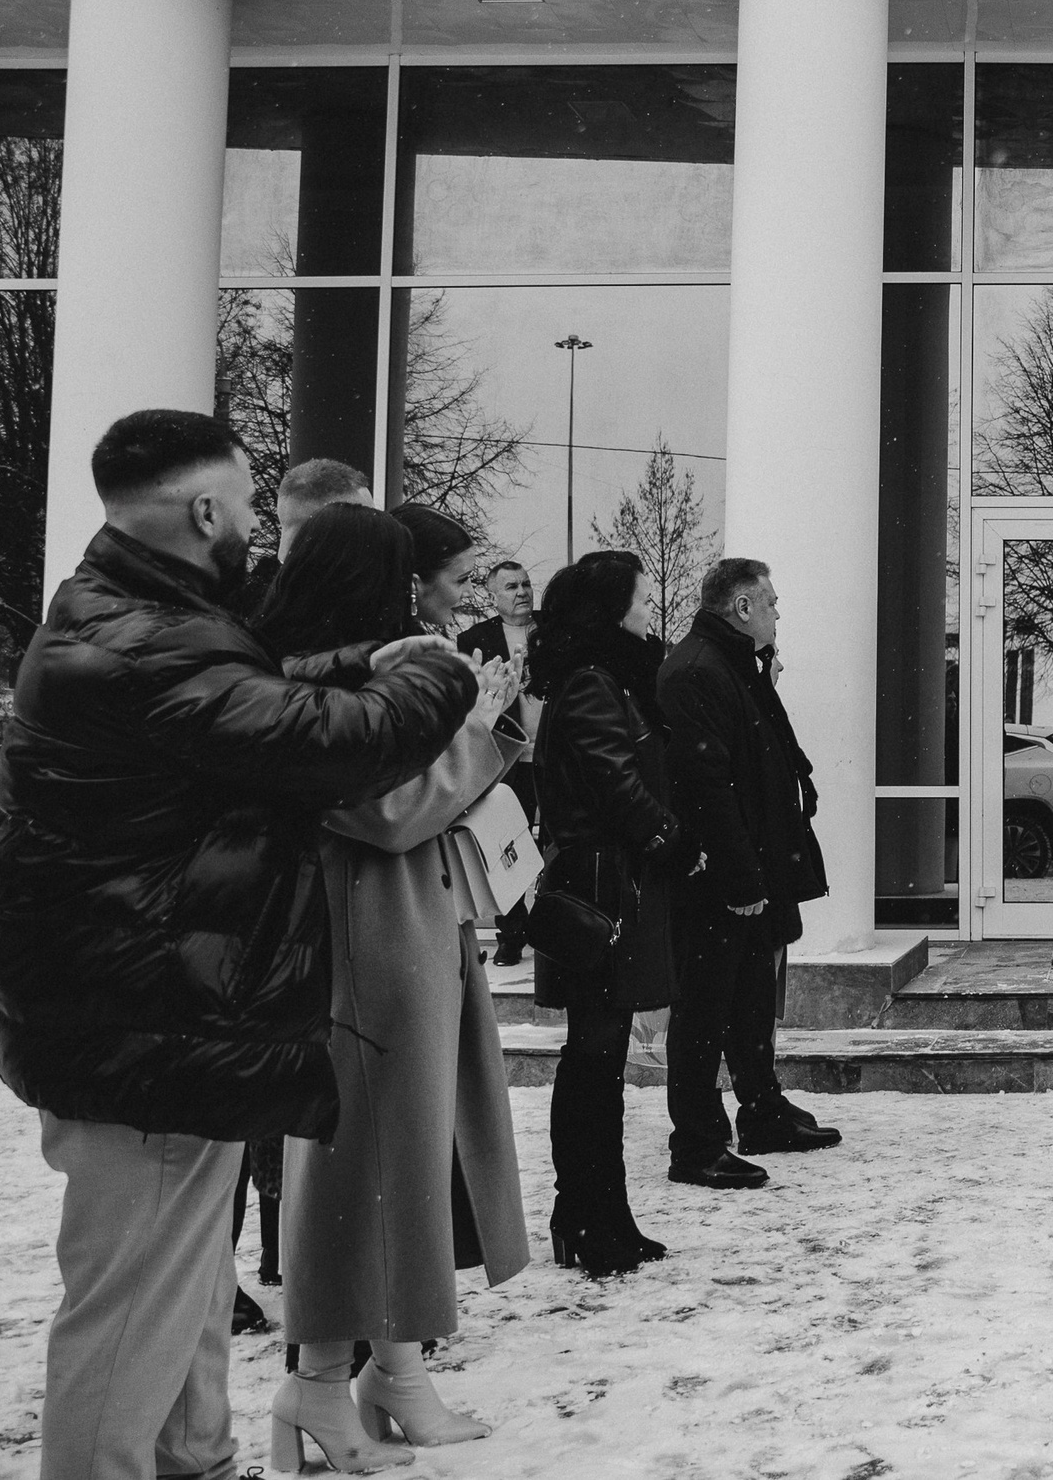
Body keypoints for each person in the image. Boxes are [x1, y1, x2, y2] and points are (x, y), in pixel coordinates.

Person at [0, 410, 474, 1480]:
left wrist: (366, 654)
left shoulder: (141, 616)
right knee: (126, 1318)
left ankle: (198, 1461)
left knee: (182, 1290)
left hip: (162, 1016)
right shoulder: (145, 641)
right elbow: (330, 740)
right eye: (252, 505)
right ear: (206, 510)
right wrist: (438, 671)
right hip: (143, 1026)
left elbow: (264, 686)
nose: (261, 528)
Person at [257, 504, 532, 1470]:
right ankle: (325, 1383)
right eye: (447, 576)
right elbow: (389, 811)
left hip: (408, 924)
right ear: (393, 581)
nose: (462, 593)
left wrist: (479, 731)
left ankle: (385, 1371)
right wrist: (479, 732)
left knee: (404, 1157)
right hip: (369, 931)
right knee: (366, 1158)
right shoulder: (321, 683)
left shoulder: (356, 668)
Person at [659, 558, 842, 1191]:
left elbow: (761, 759)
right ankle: (698, 1141)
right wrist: (740, 879)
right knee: (705, 1008)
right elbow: (707, 787)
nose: (777, 614)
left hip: (759, 864)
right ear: (742, 607)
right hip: (725, 878)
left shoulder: (735, 664)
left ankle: (761, 1109)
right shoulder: (698, 671)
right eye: (770, 603)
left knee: (750, 999)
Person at [529, 549, 687, 1277]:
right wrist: (673, 842)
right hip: (602, 892)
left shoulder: (598, 678)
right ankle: (589, 1215)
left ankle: (600, 1212)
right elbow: (617, 787)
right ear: (610, 605)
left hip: (604, 885)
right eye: (642, 595)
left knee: (598, 1058)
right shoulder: (593, 685)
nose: (650, 607)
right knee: (593, 1060)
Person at [459, 558, 545, 964]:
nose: (523, 592)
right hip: (508, 756)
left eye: (526, 584)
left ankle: (551, 927)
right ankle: (512, 933)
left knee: (553, 843)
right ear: (493, 596)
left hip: (553, 755)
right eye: (511, 587)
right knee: (507, 844)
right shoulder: (473, 640)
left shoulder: (552, 629)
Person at [233, 456, 373, 616]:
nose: (376, 527)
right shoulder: (321, 609)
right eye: (363, 520)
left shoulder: (256, 603)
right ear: (327, 525)